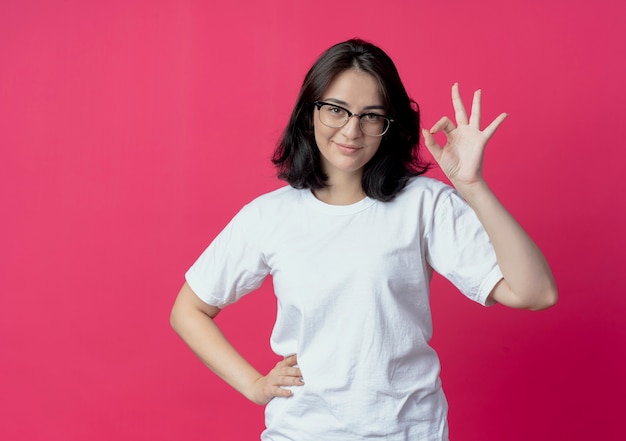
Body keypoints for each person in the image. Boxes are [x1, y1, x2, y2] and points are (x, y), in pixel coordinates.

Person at [170, 39, 557, 440]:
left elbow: (536, 293)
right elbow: (188, 310)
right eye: (336, 110)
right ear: (309, 113)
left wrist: (472, 186)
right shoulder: (270, 215)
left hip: (408, 431)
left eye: (371, 116)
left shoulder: (423, 204)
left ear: (389, 126)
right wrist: (254, 385)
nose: (351, 130)